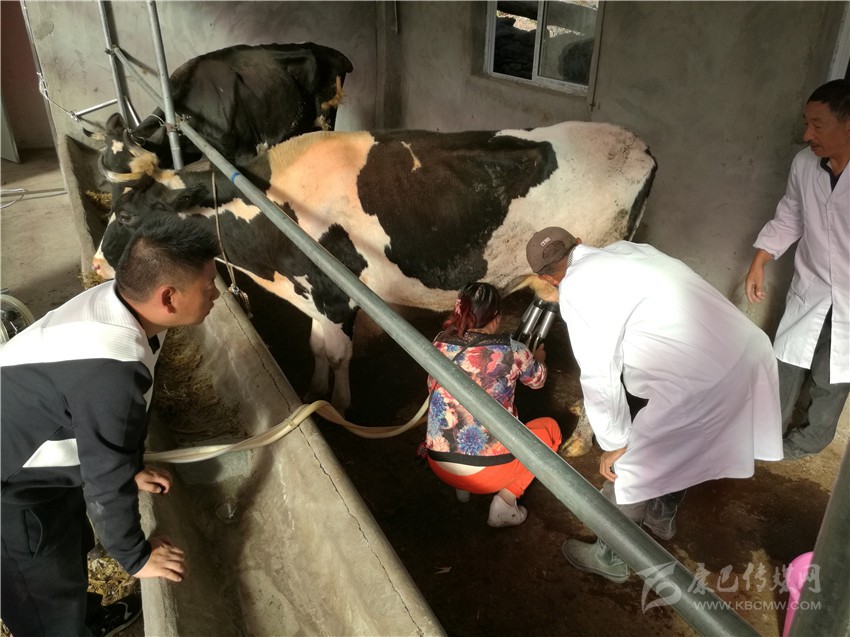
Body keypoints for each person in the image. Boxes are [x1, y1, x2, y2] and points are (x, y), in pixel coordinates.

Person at [1, 215, 221, 636]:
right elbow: (104, 481)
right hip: (8, 490)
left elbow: (109, 435)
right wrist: (135, 557)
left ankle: (84, 620)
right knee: (41, 586)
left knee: (67, 547)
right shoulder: (112, 368)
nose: (215, 294)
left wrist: (131, 466)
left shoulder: (119, 303)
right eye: (208, 285)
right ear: (169, 297)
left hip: (29, 455)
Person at [526, 227, 782, 582]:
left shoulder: (576, 290)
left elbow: (600, 373)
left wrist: (615, 442)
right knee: (683, 441)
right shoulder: (627, 250)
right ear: (580, 243)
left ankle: (610, 557)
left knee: (629, 466)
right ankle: (661, 517)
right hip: (746, 350)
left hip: (701, 378)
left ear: (546, 279)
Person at [744, 79, 850, 460]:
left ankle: (799, 447)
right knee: (784, 367)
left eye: (817, 125)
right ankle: (763, 443)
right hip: (812, 288)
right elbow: (790, 215)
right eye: (806, 123)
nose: (807, 135)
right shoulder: (804, 164)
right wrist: (760, 260)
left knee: (830, 384)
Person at [425, 282, 562, 527]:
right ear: (496, 317)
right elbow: (537, 381)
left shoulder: (439, 342)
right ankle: (505, 503)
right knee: (549, 429)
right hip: (489, 474)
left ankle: (462, 490)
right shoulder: (514, 351)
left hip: (438, 464)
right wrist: (538, 358)